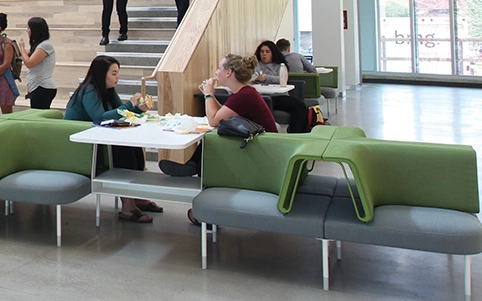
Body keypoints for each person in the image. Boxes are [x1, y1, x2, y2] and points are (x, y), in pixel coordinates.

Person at [160, 54, 279, 222]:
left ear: (229, 72)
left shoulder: (244, 95)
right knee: (212, 138)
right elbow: (225, 113)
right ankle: (195, 172)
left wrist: (208, 95)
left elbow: (214, 120)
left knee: (213, 139)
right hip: (261, 144)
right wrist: (211, 96)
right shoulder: (244, 93)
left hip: (262, 150)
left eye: (219, 68)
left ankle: (201, 191)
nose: (216, 73)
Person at [63, 56, 160, 223]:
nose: (117, 77)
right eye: (114, 73)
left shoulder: (108, 90)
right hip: (81, 142)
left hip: (98, 136)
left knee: (134, 147)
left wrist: (137, 109)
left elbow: (119, 113)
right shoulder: (89, 91)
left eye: (118, 73)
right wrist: (129, 106)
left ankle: (135, 197)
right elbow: (99, 117)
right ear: (102, 74)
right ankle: (128, 207)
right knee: (123, 151)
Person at [252, 40, 310, 134]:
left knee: (300, 106)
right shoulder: (256, 65)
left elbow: (282, 79)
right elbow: (252, 77)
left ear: (273, 53)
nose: (264, 54)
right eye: (262, 52)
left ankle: (295, 133)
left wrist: (266, 78)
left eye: (267, 52)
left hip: (278, 96)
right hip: (261, 96)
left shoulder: (281, 65)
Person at [16, 16, 57, 110]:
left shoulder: (45, 45)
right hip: (37, 87)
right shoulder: (39, 45)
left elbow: (30, 63)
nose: (27, 31)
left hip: (43, 87)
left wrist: (21, 47)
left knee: (39, 114)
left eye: (29, 28)